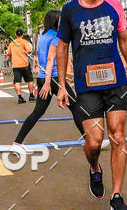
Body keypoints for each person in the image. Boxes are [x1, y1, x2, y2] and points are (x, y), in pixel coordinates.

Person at [56, 0, 127, 210]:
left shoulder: (113, 5)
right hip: (87, 86)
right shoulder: (70, 11)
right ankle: (95, 168)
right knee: (94, 141)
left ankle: (116, 195)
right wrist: (62, 85)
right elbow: (62, 48)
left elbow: (125, 40)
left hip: (115, 82)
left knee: (118, 136)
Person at [14, 10, 85, 147]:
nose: (63, 22)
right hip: (52, 78)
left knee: (37, 112)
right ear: (55, 21)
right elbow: (50, 59)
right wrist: (48, 82)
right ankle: (90, 140)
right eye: (60, 20)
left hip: (43, 77)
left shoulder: (43, 36)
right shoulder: (55, 37)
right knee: (76, 107)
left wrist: (45, 81)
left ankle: (17, 142)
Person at [6, 29, 35, 104]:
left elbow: (8, 53)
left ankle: (20, 98)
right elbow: (29, 50)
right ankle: (31, 96)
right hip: (25, 64)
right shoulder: (24, 42)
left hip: (16, 65)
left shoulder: (12, 43)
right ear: (22, 35)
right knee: (30, 80)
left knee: (17, 82)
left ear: (16, 35)